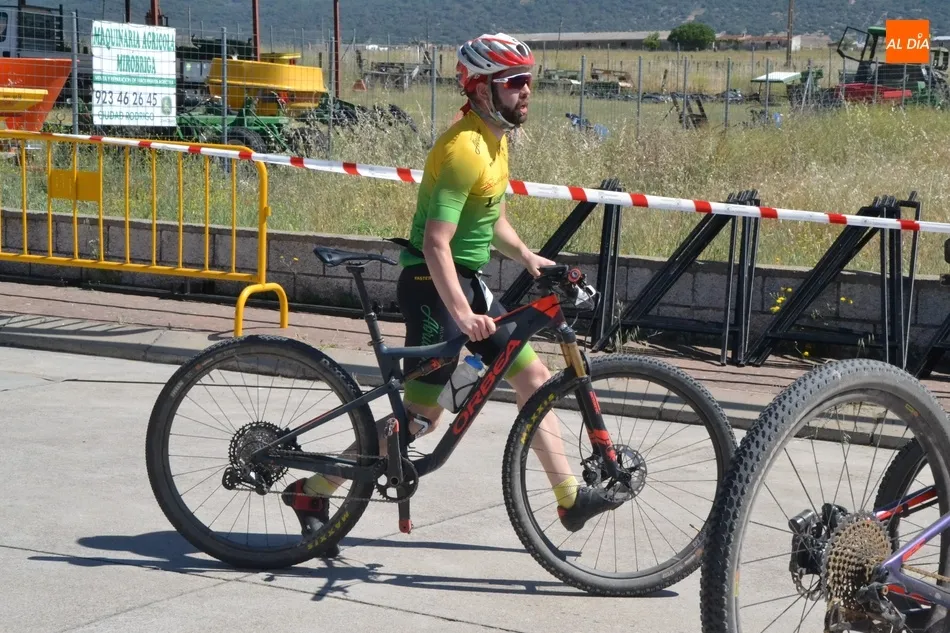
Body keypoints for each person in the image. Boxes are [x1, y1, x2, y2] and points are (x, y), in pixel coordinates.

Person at [281, 33, 622, 556]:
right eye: (515, 81)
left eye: (529, 79)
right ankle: (313, 489)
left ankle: (569, 499)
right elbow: (436, 243)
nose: (526, 89)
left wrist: (527, 256)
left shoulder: (495, 141)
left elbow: (490, 217)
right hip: (431, 285)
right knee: (419, 419)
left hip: (466, 282)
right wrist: (462, 314)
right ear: (482, 88)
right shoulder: (463, 149)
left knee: (533, 378)